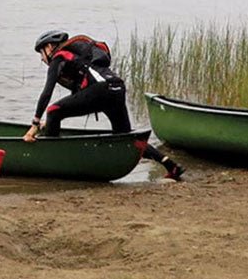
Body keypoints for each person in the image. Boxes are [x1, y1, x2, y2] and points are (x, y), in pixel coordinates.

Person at [24, 30, 184, 180]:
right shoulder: (76, 60)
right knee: (125, 137)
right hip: (116, 88)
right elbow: (78, 98)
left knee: (53, 110)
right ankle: (171, 166)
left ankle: (52, 162)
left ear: (49, 47)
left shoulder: (59, 57)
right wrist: (50, 123)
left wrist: (35, 124)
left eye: (41, 53)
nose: (42, 59)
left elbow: (47, 94)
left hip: (102, 90)